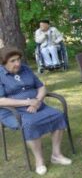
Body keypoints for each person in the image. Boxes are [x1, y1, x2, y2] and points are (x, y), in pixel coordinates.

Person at [0, 47, 71, 175]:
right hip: (12, 111)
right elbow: (1, 101)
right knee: (29, 123)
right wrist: (27, 102)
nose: (17, 63)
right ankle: (39, 161)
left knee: (57, 115)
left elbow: (41, 87)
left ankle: (56, 155)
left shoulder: (25, 69)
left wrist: (37, 101)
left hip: (36, 105)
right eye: (12, 61)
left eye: (18, 59)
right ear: (3, 62)